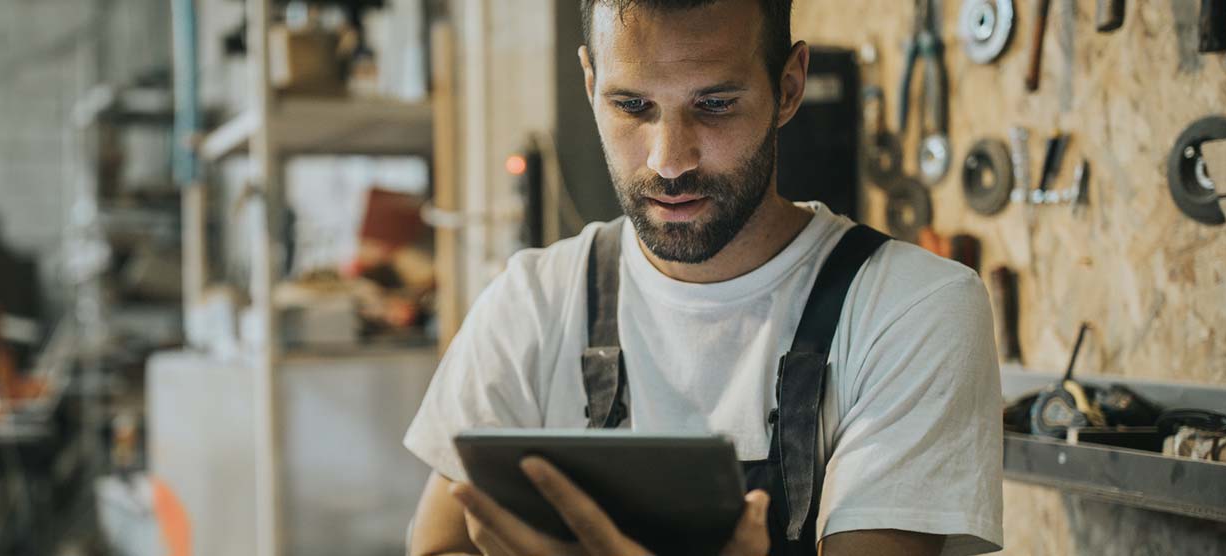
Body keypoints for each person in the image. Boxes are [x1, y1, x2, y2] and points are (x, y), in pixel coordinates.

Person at [403, 1, 1004, 554]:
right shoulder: (533, 301)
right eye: (632, 106)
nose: (669, 160)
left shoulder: (912, 310)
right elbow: (439, 543)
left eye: (714, 105)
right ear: (590, 84)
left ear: (789, 87)